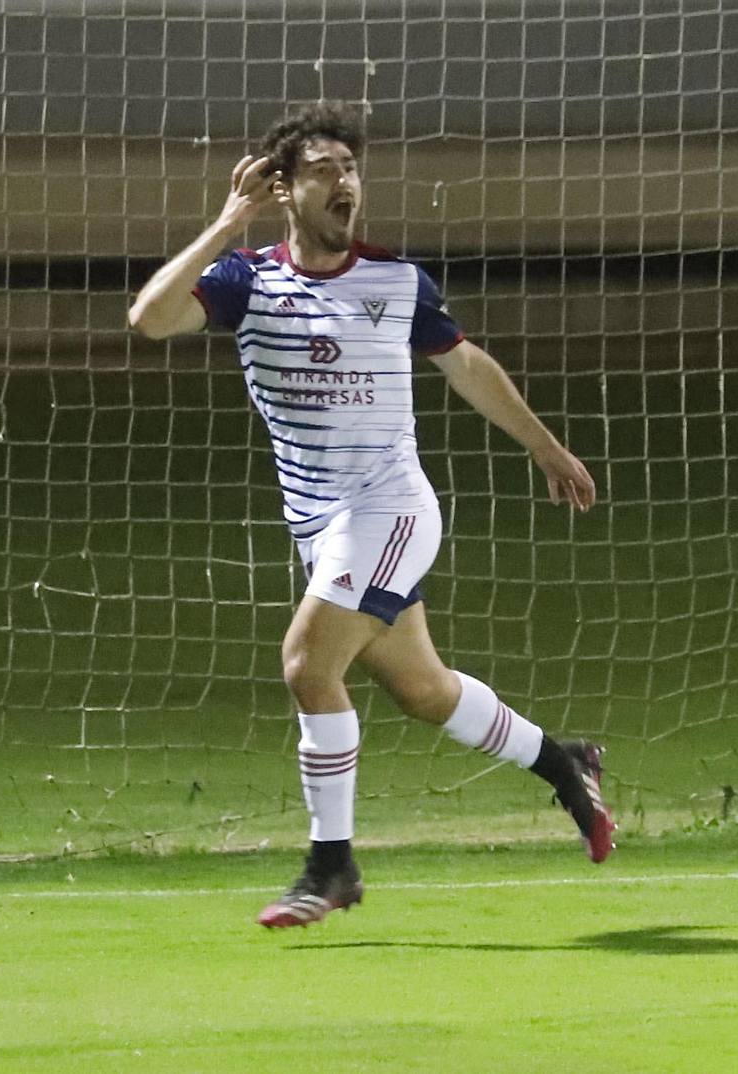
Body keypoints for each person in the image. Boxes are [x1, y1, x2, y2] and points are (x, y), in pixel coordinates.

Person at [127, 101, 615, 928]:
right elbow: (149, 319)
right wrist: (225, 223)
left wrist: (545, 446)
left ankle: (332, 864)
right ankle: (566, 765)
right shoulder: (250, 280)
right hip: (322, 526)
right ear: (285, 189)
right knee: (425, 692)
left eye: (350, 168)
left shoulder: (395, 280)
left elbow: (466, 365)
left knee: (306, 664)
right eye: (323, 168)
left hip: (391, 509)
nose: (344, 181)